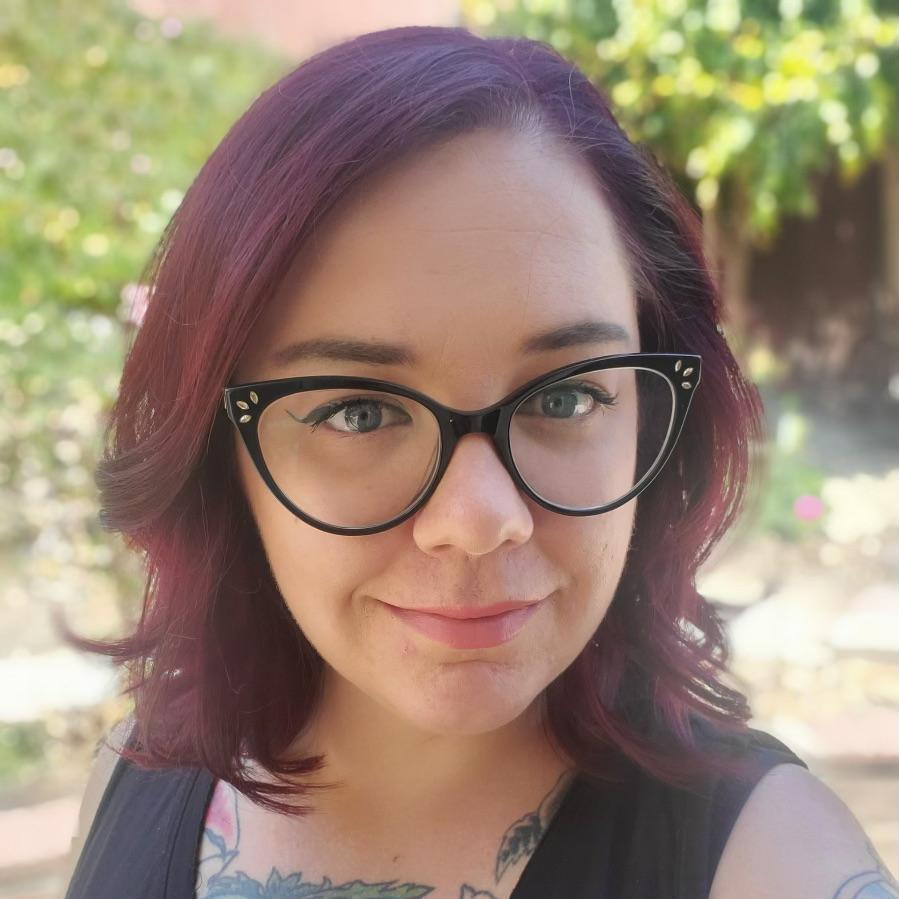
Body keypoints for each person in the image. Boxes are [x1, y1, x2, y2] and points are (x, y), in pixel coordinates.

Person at [61, 24, 896, 899]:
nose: (475, 521)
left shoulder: (775, 861)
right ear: (218, 448)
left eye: (564, 398)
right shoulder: (131, 770)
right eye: (359, 411)